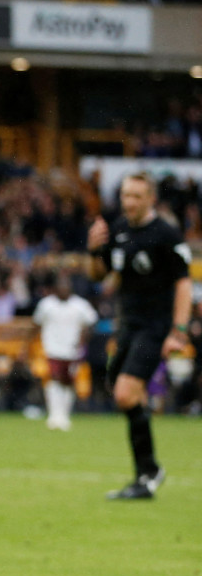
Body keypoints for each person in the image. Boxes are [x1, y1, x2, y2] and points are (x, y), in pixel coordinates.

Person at [88, 172, 193, 499]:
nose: (129, 202)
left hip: (156, 326)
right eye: (125, 195)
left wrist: (178, 331)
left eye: (136, 196)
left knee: (124, 394)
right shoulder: (118, 231)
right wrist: (94, 251)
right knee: (121, 391)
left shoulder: (165, 234)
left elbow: (184, 283)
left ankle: (148, 473)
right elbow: (99, 273)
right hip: (128, 326)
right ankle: (147, 473)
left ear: (150, 199)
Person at [31, 273, 97, 431]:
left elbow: (90, 323)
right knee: (54, 378)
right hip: (52, 348)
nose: (64, 289)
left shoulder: (81, 305)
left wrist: (82, 341)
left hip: (72, 350)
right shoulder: (46, 305)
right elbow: (36, 324)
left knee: (68, 382)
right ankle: (54, 415)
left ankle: (64, 415)